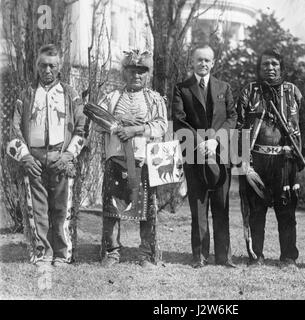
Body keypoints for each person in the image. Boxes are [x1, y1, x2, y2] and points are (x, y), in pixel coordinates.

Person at [6, 44, 88, 267]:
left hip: (61, 158)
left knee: (62, 209)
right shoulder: (26, 94)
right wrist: (25, 157)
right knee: (38, 208)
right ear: (37, 67)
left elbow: (82, 127)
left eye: (52, 65)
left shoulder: (70, 94)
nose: (47, 70)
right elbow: (14, 129)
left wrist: (69, 155)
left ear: (59, 66)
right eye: (43, 65)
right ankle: (43, 253)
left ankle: (62, 255)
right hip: (34, 159)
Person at [236, 48, 305, 268]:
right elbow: (239, 126)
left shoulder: (293, 92)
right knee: (256, 210)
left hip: (285, 161)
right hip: (256, 160)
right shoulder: (250, 91)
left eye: (274, 64)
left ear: (281, 67)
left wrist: (299, 153)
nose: (270, 68)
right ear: (259, 68)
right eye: (265, 64)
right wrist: (242, 159)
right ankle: (256, 255)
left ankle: (288, 257)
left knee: (286, 210)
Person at [95, 49, 168, 268]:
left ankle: (146, 253)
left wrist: (136, 129)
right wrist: (115, 126)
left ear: (148, 74)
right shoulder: (111, 97)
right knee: (111, 208)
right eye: (132, 71)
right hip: (116, 159)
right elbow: (98, 120)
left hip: (143, 161)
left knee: (146, 209)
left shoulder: (154, 99)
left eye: (142, 71)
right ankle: (111, 251)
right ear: (124, 72)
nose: (136, 75)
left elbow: (161, 125)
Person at [172, 45, 237, 268]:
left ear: (213, 62)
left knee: (221, 206)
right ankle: (199, 256)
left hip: (220, 155)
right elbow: (180, 120)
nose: (203, 64)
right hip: (195, 155)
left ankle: (223, 257)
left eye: (207, 60)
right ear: (192, 61)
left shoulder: (224, 87)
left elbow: (232, 118)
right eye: (199, 60)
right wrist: (201, 143)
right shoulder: (182, 88)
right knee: (198, 207)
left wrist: (215, 140)